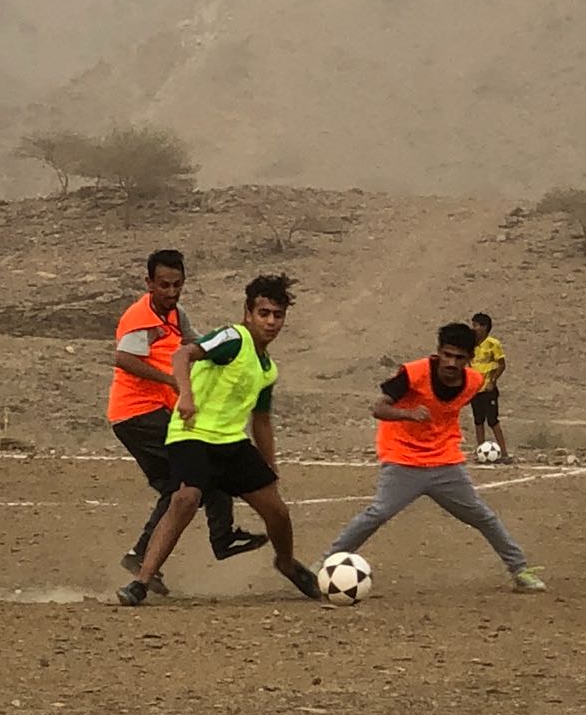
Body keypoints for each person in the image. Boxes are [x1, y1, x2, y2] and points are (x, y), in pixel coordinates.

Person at [117, 273, 320, 606]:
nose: (270, 322)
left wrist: (270, 468)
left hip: (230, 443)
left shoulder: (268, 368)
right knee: (185, 499)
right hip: (191, 434)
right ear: (248, 313)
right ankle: (140, 582)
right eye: (264, 313)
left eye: (277, 315)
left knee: (278, 512)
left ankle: (286, 563)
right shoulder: (232, 338)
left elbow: (262, 420)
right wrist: (185, 394)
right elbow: (182, 355)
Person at [316, 322, 545, 592]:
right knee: (377, 513)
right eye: (446, 355)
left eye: (459, 357)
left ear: (469, 359)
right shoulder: (413, 373)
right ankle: (320, 568)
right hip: (403, 458)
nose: (451, 362)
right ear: (437, 352)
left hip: (445, 462)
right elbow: (378, 407)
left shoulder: (473, 381)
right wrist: (408, 414)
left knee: (482, 516)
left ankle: (520, 570)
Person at [107, 249, 266, 595]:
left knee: (177, 486)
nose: (171, 291)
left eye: (177, 284)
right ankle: (222, 537)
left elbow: (195, 345)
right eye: (164, 285)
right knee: (204, 462)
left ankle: (141, 555)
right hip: (137, 413)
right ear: (149, 283)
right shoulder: (140, 317)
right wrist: (171, 381)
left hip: (155, 412)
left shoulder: (176, 315)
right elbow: (122, 358)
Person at [470, 311, 513, 463]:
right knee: (478, 420)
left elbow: (502, 364)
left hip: (488, 389)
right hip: (475, 389)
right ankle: (480, 452)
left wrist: (492, 381)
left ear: (484, 327)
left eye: (476, 325)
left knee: (493, 420)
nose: (473, 328)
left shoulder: (493, 344)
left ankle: (505, 453)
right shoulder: (471, 345)